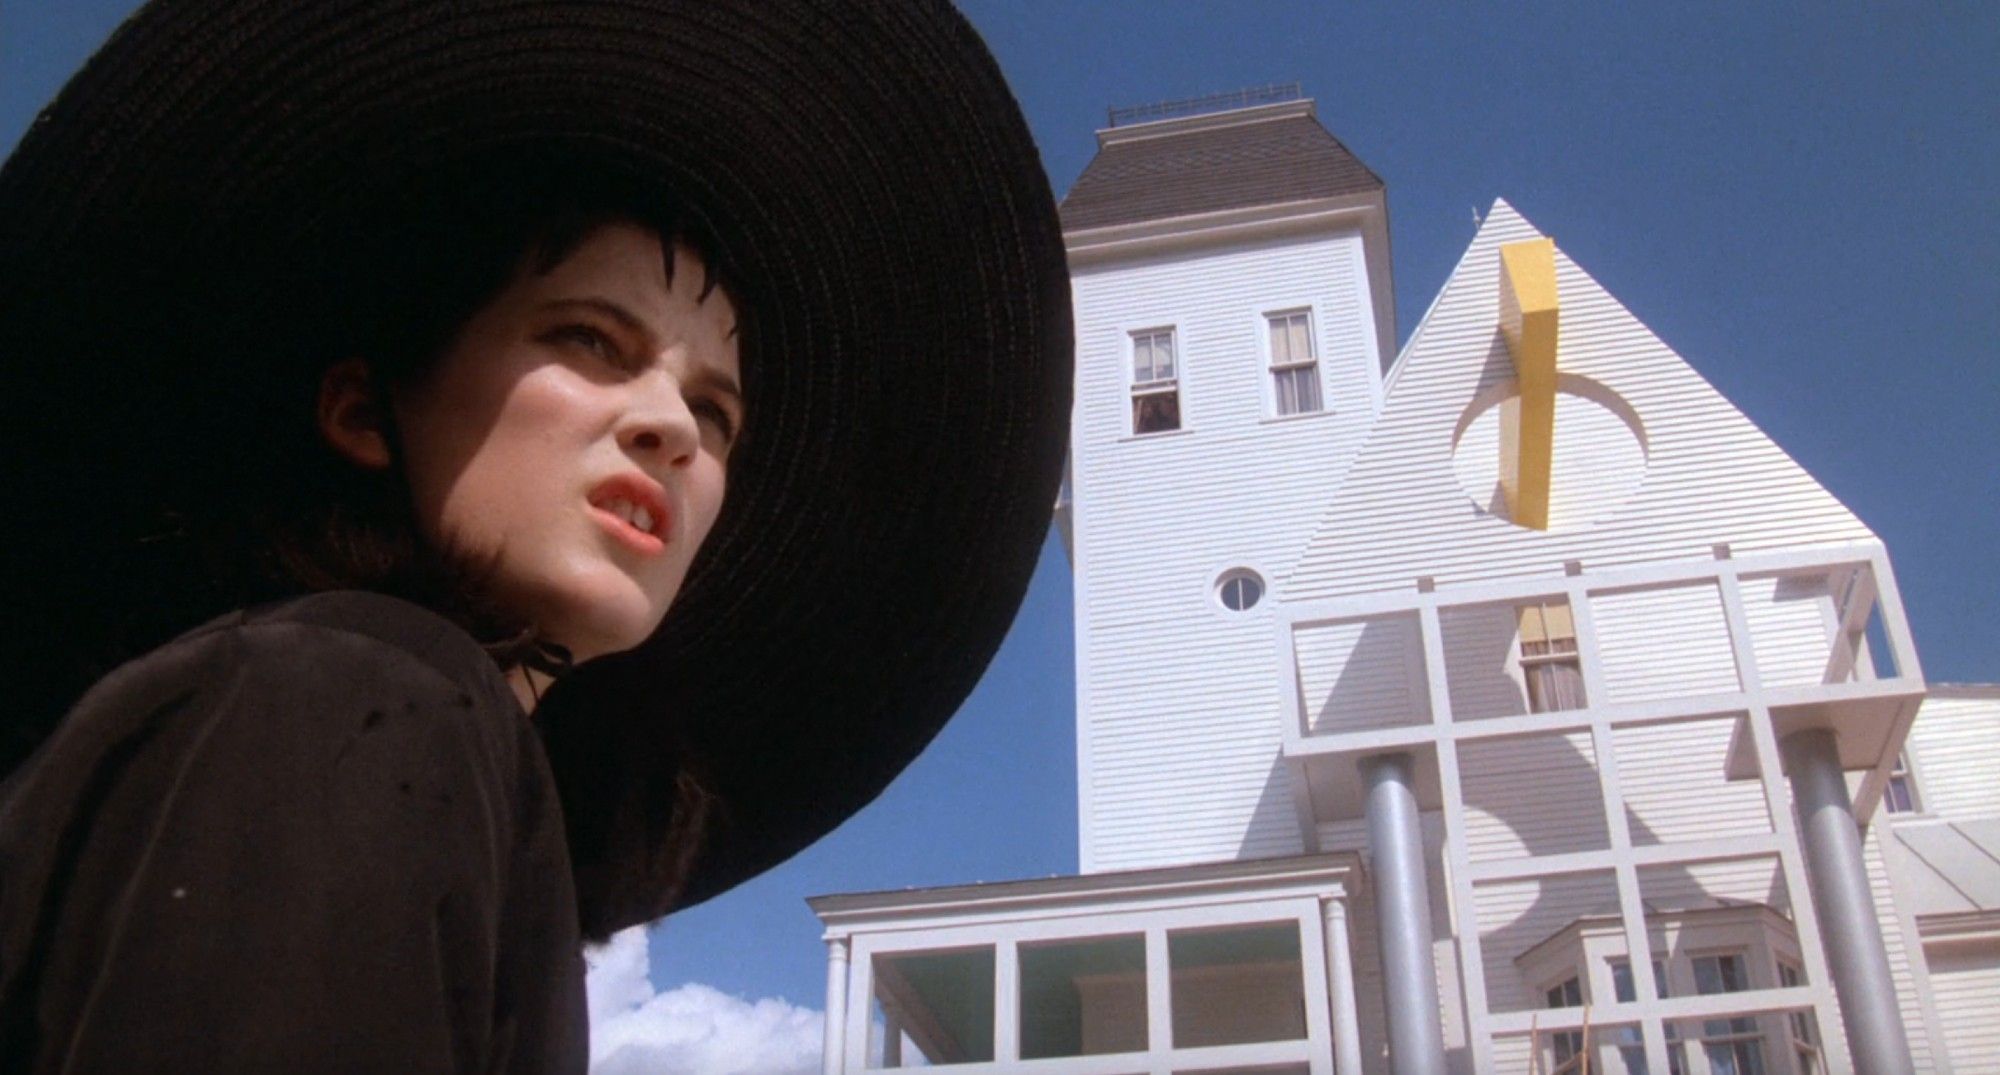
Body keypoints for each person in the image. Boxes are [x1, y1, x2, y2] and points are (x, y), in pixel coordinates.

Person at [0, 1, 1071, 1072]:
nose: (669, 429)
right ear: (364, 410)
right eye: (592, 339)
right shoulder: (349, 693)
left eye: (714, 412)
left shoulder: (443, 759)